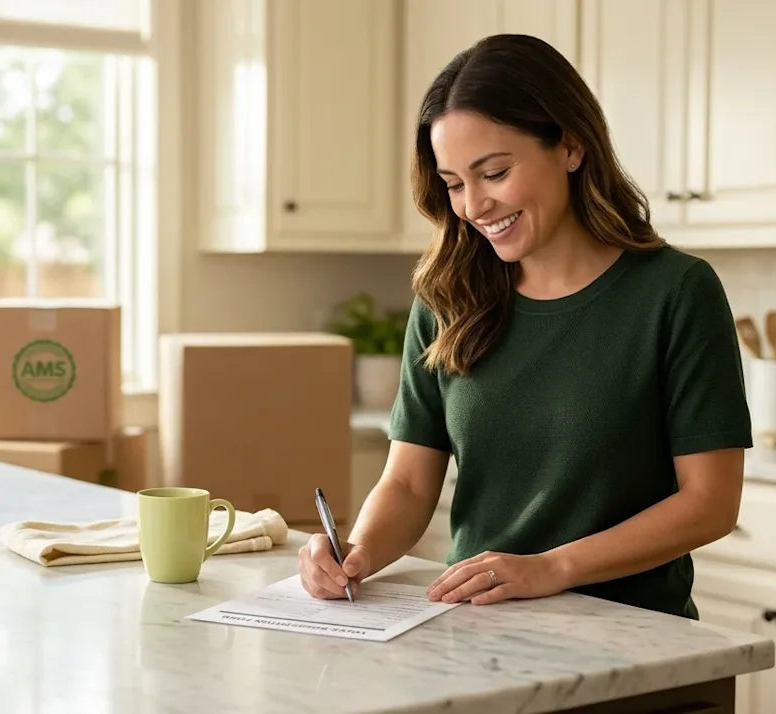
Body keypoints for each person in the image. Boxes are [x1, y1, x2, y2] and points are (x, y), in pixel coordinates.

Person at [298, 34, 752, 620]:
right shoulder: (446, 296)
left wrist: (551, 568)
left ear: (570, 146)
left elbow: (710, 502)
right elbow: (409, 485)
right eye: (455, 183)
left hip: (632, 636)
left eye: (494, 173)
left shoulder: (675, 293)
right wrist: (353, 555)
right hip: (475, 629)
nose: (474, 206)